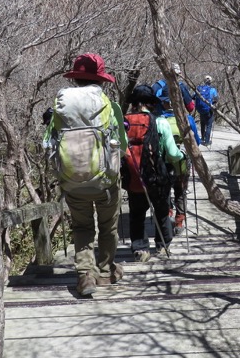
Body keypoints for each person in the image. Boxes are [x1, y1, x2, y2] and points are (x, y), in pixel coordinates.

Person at [53, 53, 127, 296]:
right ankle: (105, 272)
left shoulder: (61, 109)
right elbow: (122, 145)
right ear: (101, 81)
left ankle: (85, 275)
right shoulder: (109, 105)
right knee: (108, 227)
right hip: (105, 181)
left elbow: (49, 142)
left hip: (72, 180)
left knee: (82, 226)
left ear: (75, 80)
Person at [123, 85, 185, 260]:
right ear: (150, 104)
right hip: (157, 175)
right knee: (161, 210)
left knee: (137, 213)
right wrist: (182, 156)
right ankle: (162, 245)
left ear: (134, 103)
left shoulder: (124, 122)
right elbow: (173, 154)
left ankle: (140, 249)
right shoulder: (160, 122)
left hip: (133, 175)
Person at [158, 85, 199, 235]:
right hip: (182, 163)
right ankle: (179, 221)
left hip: (163, 163)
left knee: (165, 191)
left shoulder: (158, 120)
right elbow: (196, 143)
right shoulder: (187, 119)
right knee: (181, 191)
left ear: (163, 103)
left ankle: (168, 214)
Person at [194, 75, 219, 146]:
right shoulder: (212, 89)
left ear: (204, 81)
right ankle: (207, 141)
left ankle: (202, 138)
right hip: (209, 109)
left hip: (201, 110)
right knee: (209, 125)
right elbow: (216, 99)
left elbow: (193, 97)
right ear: (210, 82)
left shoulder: (200, 89)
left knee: (202, 123)